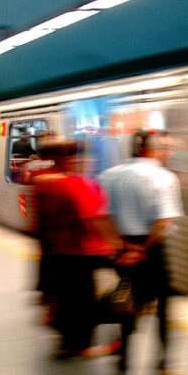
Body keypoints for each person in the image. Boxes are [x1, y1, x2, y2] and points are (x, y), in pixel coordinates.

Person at [100, 129, 184, 375]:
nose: (166, 153)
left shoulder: (110, 176)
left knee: (128, 303)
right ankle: (163, 366)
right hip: (152, 250)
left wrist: (122, 245)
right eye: (163, 148)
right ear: (152, 149)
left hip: (124, 250)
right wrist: (143, 249)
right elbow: (164, 221)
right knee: (163, 308)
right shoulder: (164, 177)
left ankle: (123, 366)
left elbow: (102, 216)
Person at [34, 138, 121, 358]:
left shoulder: (42, 184)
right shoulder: (79, 184)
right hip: (86, 252)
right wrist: (116, 245)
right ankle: (82, 345)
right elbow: (93, 220)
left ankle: (68, 341)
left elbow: (36, 225)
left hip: (58, 253)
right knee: (89, 299)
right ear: (73, 159)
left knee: (70, 299)